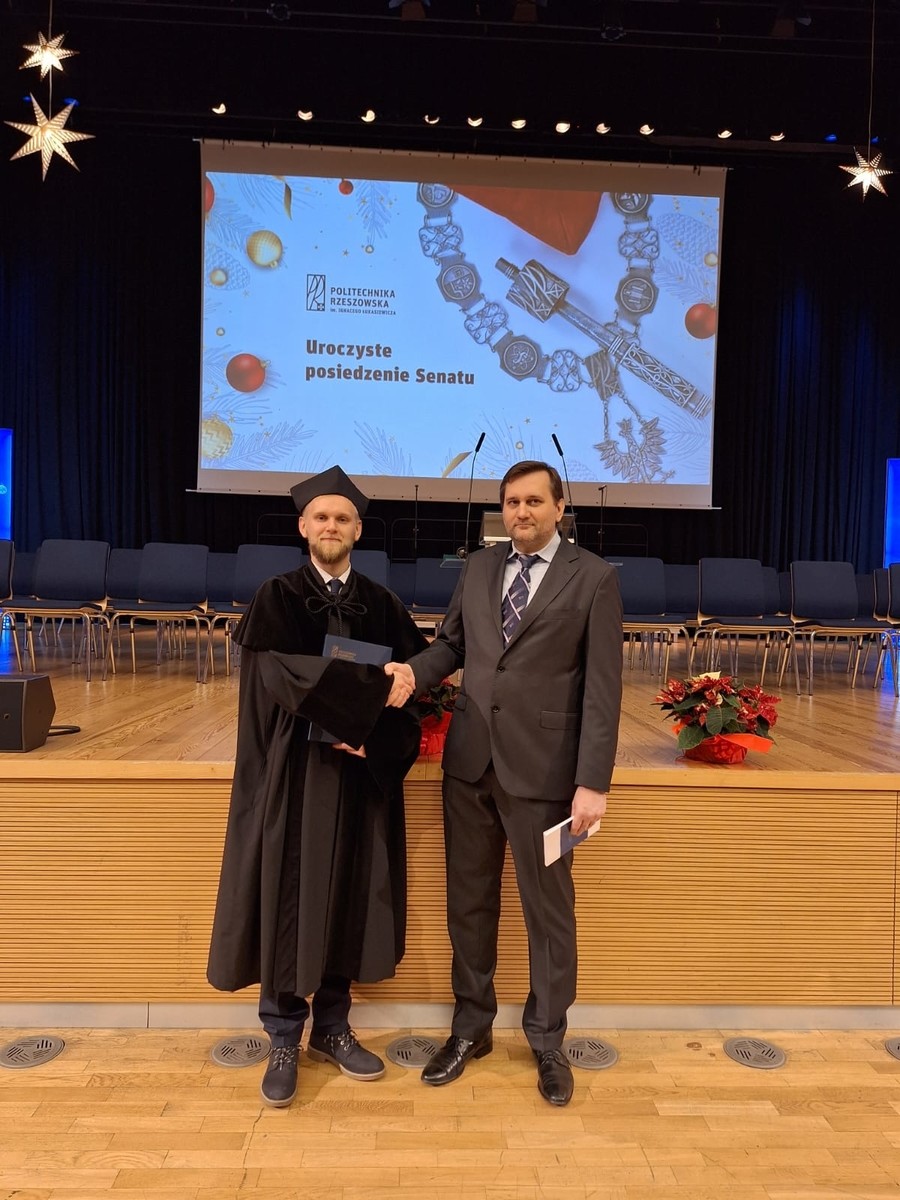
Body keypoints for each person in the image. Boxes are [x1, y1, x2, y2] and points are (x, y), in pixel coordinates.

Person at [384, 460, 622, 1107]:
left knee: (549, 912)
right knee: (469, 904)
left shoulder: (594, 577)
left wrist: (592, 783)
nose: (521, 512)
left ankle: (547, 1039)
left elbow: (603, 690)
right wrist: (412, 673)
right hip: (469, 766)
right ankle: (471, 1028)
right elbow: (453, 645)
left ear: (560, 507)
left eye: (534, 501)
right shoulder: (481, 567)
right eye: (512, 502)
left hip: (547, 776)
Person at [208, 465, 428, 1108]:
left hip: (358, 777)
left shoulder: (382, 604)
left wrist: (376, 735)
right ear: (303, 526)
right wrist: (367, 702)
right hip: (294, 774)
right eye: (322, 517)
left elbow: (415, 683)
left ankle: (332, 1027)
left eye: (343, 518)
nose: (331, 526)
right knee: (288, 893)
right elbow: (283, 678)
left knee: (348, 894)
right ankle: (283, 1035)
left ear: (358, 530)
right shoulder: (277, 597)